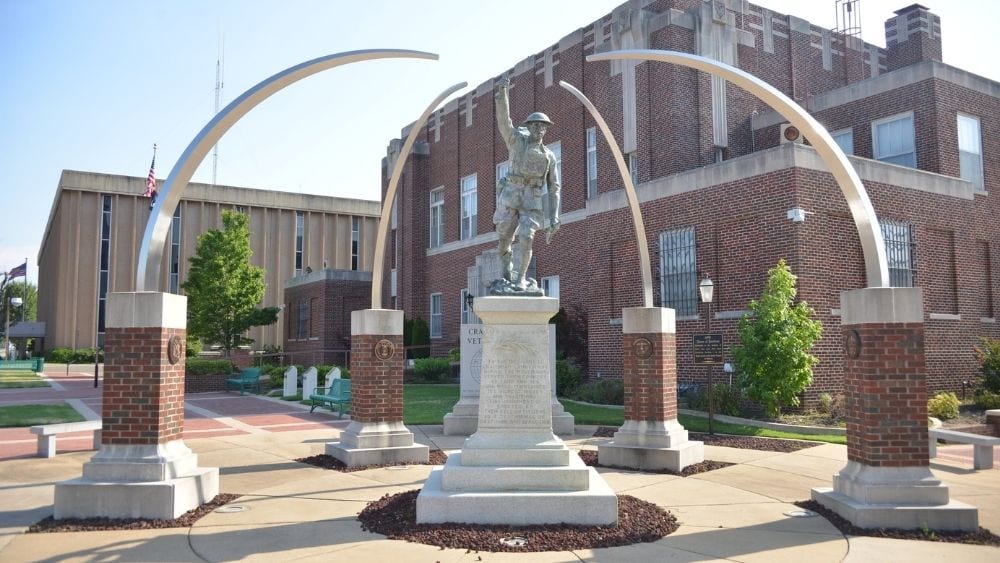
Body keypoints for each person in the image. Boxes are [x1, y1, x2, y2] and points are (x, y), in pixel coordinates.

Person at [492, 76, 561, 293]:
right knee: (504, 238)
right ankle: (506, 273)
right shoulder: (516, 141)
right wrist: (503, 93)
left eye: (543, 127)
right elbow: (504, 121)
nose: (539, 129)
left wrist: (554, 217)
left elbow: (554, 187)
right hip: (511, 195)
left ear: (546, 130)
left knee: (526, 237)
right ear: (529, 127)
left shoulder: (549, 156)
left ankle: (521, 278)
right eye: (535, 125)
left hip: (532, 200)